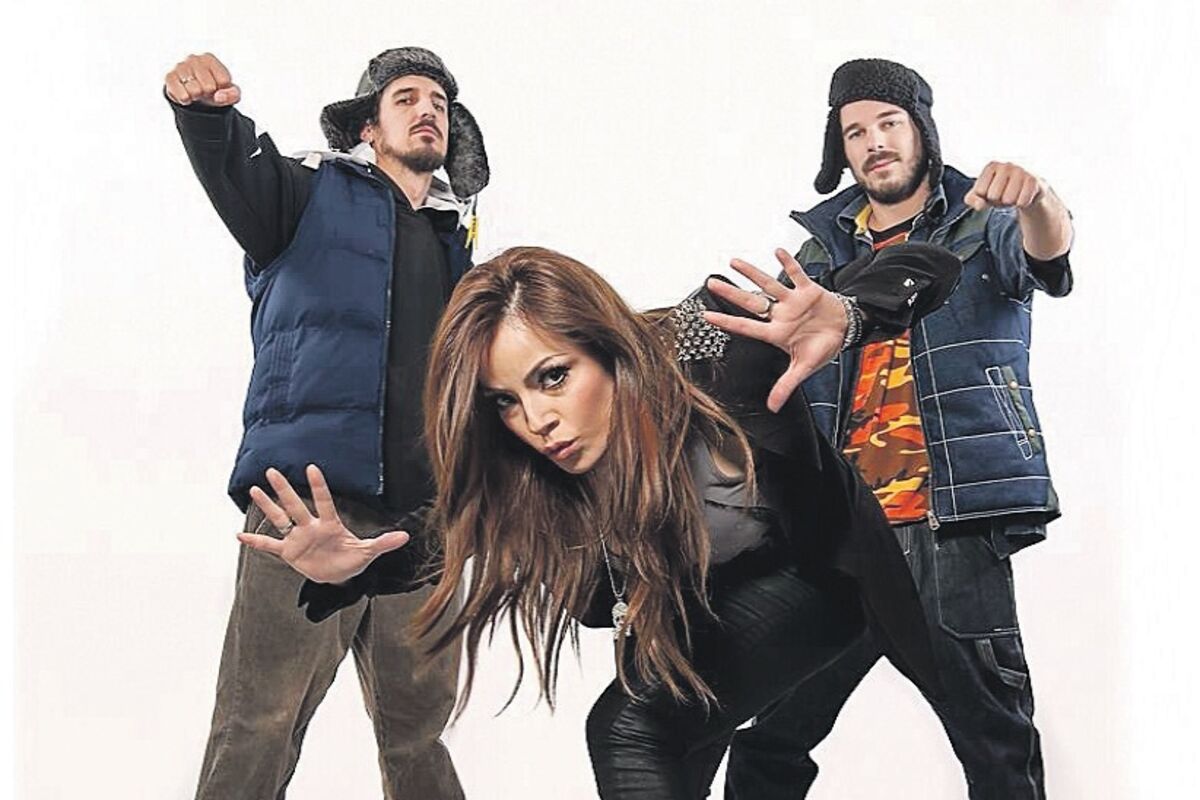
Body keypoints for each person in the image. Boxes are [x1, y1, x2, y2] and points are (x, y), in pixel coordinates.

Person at [237, 243, 961, 799]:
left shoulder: (711, 340)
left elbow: (926, 263)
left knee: (629, 728)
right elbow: (446, 536)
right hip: (686, 609)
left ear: (609, 351)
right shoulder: (533, 467)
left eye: (553, 376)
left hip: (816, 573)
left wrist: (850, 313)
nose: (536, 420)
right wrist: (358, 564)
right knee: (666, 759)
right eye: (506, 400)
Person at [724, 58, 1074, 800]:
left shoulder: (983, 224)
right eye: (855, 132)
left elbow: (1048, 253)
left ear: (921, 131)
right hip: (839, 532)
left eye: (888, 123)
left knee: (995, 741)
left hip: (948, 526)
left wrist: (1039, 198)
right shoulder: (820, 254)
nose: (874, 142)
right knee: (769, 739)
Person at [164, 46, 488, 800]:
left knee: (419, 738)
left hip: (427, 521)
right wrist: (202, 114)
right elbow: (231, 164)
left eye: (439, 102)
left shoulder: (459, 248)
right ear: (368, 128)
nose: (427, 109)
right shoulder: (305, 195)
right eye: (406, 98)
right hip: (307, 505)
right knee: (259, 722)